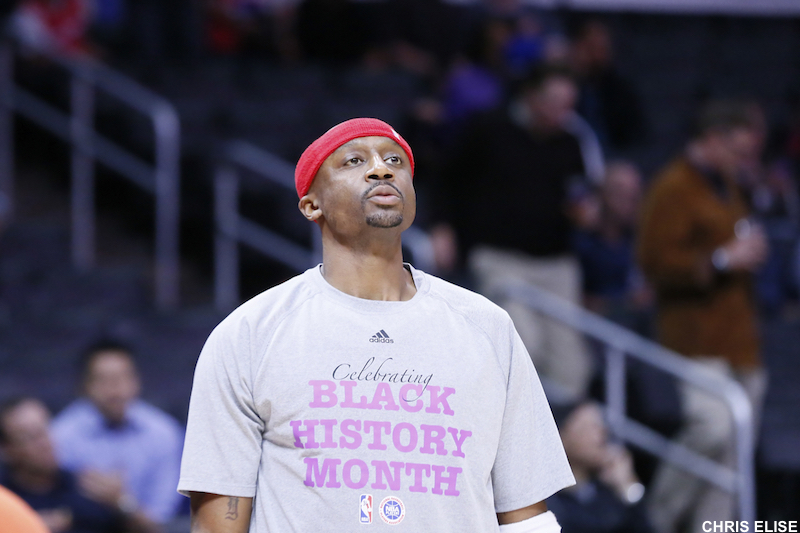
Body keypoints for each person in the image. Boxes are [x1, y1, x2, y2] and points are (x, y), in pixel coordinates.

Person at [178, 117, 575, 532]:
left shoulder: (487, 327)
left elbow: (526, 517)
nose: (381, 169)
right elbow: (217, 524)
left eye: (394, 160)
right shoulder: (250, 333)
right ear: (312, 204)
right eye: (353, 161)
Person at [637, 100, 769, 533]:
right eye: (737, 149)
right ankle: (653, 516)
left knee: (734, 450)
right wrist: (718, 260)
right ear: (712, 140)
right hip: (693, 333)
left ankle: (711, 528)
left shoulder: (727, 184)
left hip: (738, 336)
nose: (743, 160)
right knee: (711, 428)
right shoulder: (673, 185)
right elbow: (654, 262)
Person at [431, 65, 597, 399]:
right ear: (532, 97)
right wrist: (441, 227)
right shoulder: (488, 128)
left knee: (573, 369)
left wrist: (587, 212)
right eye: (555, 103)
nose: (564, 113)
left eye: (569, 105)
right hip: (499, 258)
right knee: (525, 345)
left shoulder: (571, 143)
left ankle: (555, 445)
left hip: (556, 264)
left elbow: (581, 197)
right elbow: (445, 178)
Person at [50, 340, 184, 531]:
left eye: (122, 378)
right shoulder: (60, 435)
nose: (114, 389)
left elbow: (159, 523)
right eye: (103, 380)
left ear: (137, 381)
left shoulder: (164, 433)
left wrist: (121, 501)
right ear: (84, 386)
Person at [0, 396, 124, 533]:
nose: (44, 443)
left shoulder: (85, 487)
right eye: (30, 437)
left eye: (44, 430)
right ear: (7, 450)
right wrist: (28, 525)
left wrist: (122, 504)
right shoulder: (5, 500)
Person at [547, 400, 653, 533]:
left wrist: (628, 486)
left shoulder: (607, 493)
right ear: (561, 438)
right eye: (589, 427)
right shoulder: (545, 498)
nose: (602, 432)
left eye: (600, 425)